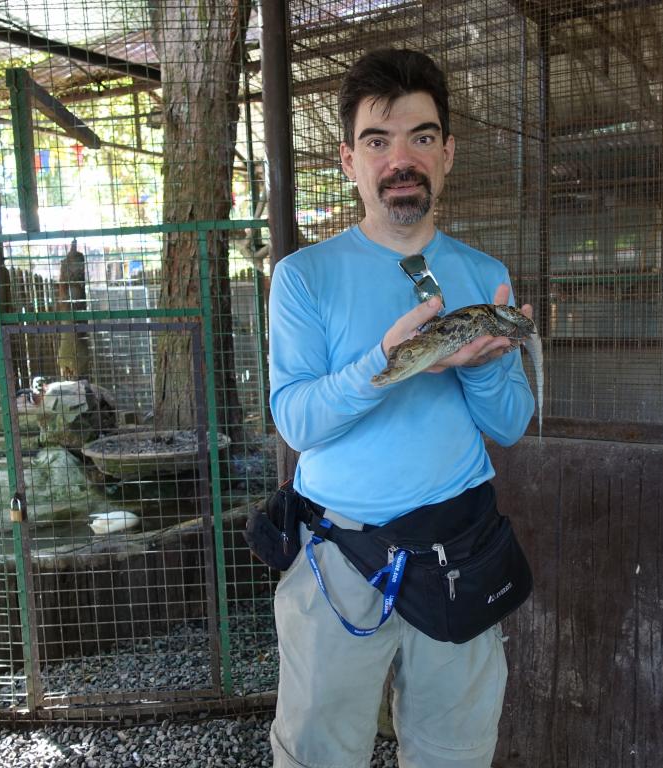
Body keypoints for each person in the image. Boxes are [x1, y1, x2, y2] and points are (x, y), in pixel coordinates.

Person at [267, 48, 535, 768]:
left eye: (421, 137)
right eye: (378, 141)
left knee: (455, 755)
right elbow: (296, 421)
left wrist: (474, 366)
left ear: (447, 154)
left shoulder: (484, 275)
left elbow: (510, 423)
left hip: (461, 554)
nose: (401, 158)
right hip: (340, 561)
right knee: (318, 754)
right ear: (350, 159)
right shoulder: (304, 277)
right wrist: (382, 368)